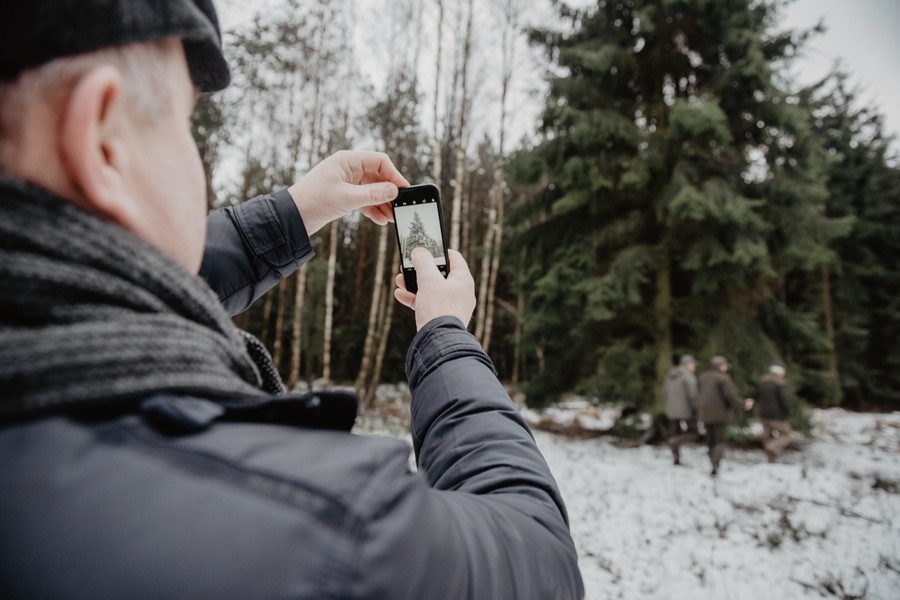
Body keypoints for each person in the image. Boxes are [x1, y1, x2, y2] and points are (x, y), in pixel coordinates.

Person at [0, 2, 584, 598]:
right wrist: (445, 332)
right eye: (185, 122)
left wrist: (298, 211)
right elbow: (538, 557)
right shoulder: (329, 527)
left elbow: (125, 292)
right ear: (101, 140)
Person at [697, 355, 753, 476]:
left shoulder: (703, 376)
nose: (726, 368)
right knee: (719, 441)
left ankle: (712, 460)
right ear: (719, 366)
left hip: (705, 413)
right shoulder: (723, 378)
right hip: (720, 414)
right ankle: (715, 464)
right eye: (724, 365)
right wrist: (744, 404)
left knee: (710, 440)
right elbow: (730, 397)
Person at [662, 354, 699, 465]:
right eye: (693, 365)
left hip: (671, 411)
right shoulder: (688, 376)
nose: (694, 367)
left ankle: (676, 459)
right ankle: (673, 442)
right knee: (694, 433)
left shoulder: (669, 376)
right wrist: (697, 409)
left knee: (675, 433)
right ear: (688, 365)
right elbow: (693, 395)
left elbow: (664, 393)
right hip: (686, 411)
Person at [756, 364, 792, 463]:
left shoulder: (762, 382)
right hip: (777, 415)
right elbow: (784, 400)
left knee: (767, 434)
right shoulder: (780, 384)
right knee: (786, 434)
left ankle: (771, 458)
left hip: (763, 413)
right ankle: (771, 447)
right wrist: (787, 413)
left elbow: (758, 397)